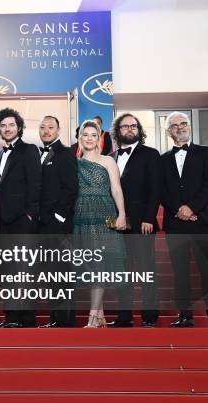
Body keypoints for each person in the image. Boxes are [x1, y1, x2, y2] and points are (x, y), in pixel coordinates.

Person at [160, 112, 208, 328]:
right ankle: (185, 316)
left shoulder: (205, 152)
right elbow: (162, 191)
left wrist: (191, 207)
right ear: (168, 131)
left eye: (183, 123)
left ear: (189, 127)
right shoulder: (163, 159)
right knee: (180, 271)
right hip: (175, 221)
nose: (180, 127)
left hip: (202, 218)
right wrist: (179, 210)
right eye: (174, 125)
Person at [108, 113, 162, 328]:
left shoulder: (150, 154)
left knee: (146, 270)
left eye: (133, 126)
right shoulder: (110, 157)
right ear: (118, 131)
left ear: (139, 130)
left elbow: (155, 188)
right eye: (125, 126)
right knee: (120, 272)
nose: (129, 129)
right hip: (116, 225)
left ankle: (149, 317)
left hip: (142, 222)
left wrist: (149, 217)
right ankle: (124, 317)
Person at [73, 120, 127, 328]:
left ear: (99, 138)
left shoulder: (108, 161)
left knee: (99, 266)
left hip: (104, 214)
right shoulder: (74, 163)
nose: (89, 138)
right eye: (85, 134)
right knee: (92, 266)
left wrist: (121, 214)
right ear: (80, 138)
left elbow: (116, 189)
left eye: (93, 135)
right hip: (81, 215)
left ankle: (93, 318)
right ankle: (101, 316)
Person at [0, 107, 41, 328]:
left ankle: (26, 319)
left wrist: (31, 214)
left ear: (19, 127)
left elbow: (35, 183)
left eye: (11, 125)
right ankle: (11, 316)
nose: (7, 128)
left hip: (23, 219)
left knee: (24, 270)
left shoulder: (29, 150)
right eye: (3, 125)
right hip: (2, 221)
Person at [37, 116, 78, 328]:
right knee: (50, 272)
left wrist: (58, 216)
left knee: (61, 272)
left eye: (50, 127)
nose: (46, 131)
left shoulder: (66, 154)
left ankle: (64, 321)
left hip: (59, 224)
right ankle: (56, 318)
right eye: (42, 127)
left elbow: (71, 188)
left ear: (59, 130)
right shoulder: (38, 154)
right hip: (42, 224)